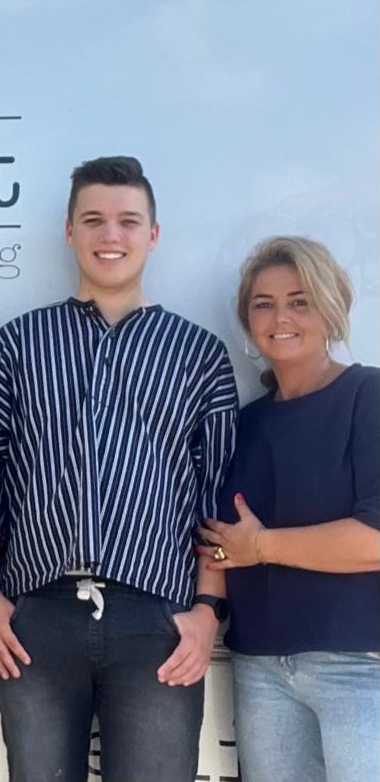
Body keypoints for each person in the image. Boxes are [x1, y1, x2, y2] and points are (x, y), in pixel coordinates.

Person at [0, 156, 238, 782]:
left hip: (157, 618)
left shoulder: (198, 353)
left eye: (129, 221)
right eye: (94, 220)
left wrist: (206, 611)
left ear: (153, 234)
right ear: (69, 231)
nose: (111, 235)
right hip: (37, 615)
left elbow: (215, 493)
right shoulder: (18, 345)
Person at [198, 236, 380, 782]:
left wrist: (262, 546)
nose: (281, 317)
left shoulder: (367, 397)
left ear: (331, 307)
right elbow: (218, 541)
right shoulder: (243, 423)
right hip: (260, 669)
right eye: (265, 304)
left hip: (358, 665)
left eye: (300, 301)